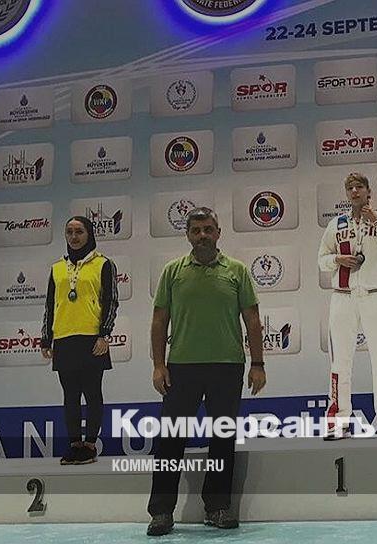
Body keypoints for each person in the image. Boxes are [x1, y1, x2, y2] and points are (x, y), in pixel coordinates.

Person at [146, 207, 266, 537]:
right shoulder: (172, 271)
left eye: (208, 229)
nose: (202, 235)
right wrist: (158, 365)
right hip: (181, 368)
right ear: (187, 235)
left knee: (222, 439)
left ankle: (217, 507)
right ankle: (161, 512)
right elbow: (159, 320)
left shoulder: (237, 271)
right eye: (196, 230)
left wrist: (257, 364)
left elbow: (253, 319)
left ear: (218, 233)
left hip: (227, 367)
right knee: (170, 440)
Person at [317, 172, 377, 440]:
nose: (354, 191)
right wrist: (338, 260)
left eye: (359, 187)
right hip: (342, 297)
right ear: (347, 194)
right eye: (350, 188)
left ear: (369, 192)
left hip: (375, 296)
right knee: (339, 363)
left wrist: (376, 221)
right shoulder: (336, 224)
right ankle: (337, 421)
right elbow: (322, 260)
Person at [40, 216, 118, 465]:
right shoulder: (56, 268)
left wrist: (104, 334)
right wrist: (46, 338)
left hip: (91, 338)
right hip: (64, 337)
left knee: (93, 393)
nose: (74, 237)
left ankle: (90, 445)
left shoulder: (104, 264)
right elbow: (50, 304)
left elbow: (111, 301)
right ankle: (75, 445)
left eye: (79, 232)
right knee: (70, 395)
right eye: (69, 232)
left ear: (89, 234)